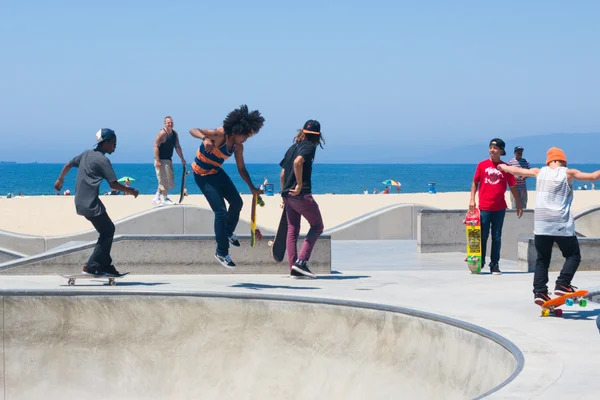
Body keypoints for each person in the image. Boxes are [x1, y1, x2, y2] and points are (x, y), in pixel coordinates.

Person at [498, 148, 600, 305]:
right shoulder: (568, 173)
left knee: (542, 260)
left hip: (541, 225)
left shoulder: (539, 172)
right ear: (563, 161)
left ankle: (539, 292)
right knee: (573, 255)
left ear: (549, 161)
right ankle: (563, 283)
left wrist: (502, 167)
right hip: (560, 224)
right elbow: (593, 177)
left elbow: (516, 170)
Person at [53, 129, 139, 276]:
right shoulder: (103, 160)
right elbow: (113, 184)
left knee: (106, 231)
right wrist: (131, 191)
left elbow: (68, 164)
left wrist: (60, 179)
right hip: (91, 203)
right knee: (108, 231)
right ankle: (91, 266)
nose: (115, 147)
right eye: (113, 143)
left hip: (80, 201)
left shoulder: (86, 153)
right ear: (105, 143)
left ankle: (106, 265)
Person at [189, 105, 265, 268]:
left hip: (216, 172)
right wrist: (204, 138)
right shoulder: (219, 134)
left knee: (237, 203)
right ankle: (221, 252)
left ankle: (228, 232)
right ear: (238, 130)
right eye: (246, 135)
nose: (246, 138)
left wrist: (252, 187)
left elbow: (241, 169)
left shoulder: (238, 146)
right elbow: (192, 129)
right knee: (221, 212)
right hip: (202, 175)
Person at [469, 138, 523, 275]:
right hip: (484, 208)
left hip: (499, 208)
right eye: (490, 147)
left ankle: (494, 264)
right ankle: (479, 262)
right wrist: (472, 200)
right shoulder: (482, 165)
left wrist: (519, 205)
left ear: (501, 151)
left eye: (495, 148)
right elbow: (475, 182)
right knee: (483, 236)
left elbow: (512, 186)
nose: (492, 150)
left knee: (497, 237)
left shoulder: (505, 167)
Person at [279, 119, 326, 279]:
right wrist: (299, 185)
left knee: (292, 230)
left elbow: (283, 174)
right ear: (317, 136)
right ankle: (301, 262)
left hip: (288, 195)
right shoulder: (309, 147)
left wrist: (284, 193)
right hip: (301, 194)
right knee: (317, 226)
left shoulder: (291, 148)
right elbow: (298, 163)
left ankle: (293, 269)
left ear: (303, 132)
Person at [153, 116, 186, 206]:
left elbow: (177, 147)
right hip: (161, 159)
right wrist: (157, 160)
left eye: (171, 122)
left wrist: (182, 158)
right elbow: (155, 146)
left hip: (168, 159)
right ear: (165, 124)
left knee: (167, 180)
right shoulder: (162, 133)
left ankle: (157, 197)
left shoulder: (175, 134)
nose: (170, 124)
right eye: (168, 123)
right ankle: (164, 198)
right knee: (164, 180)